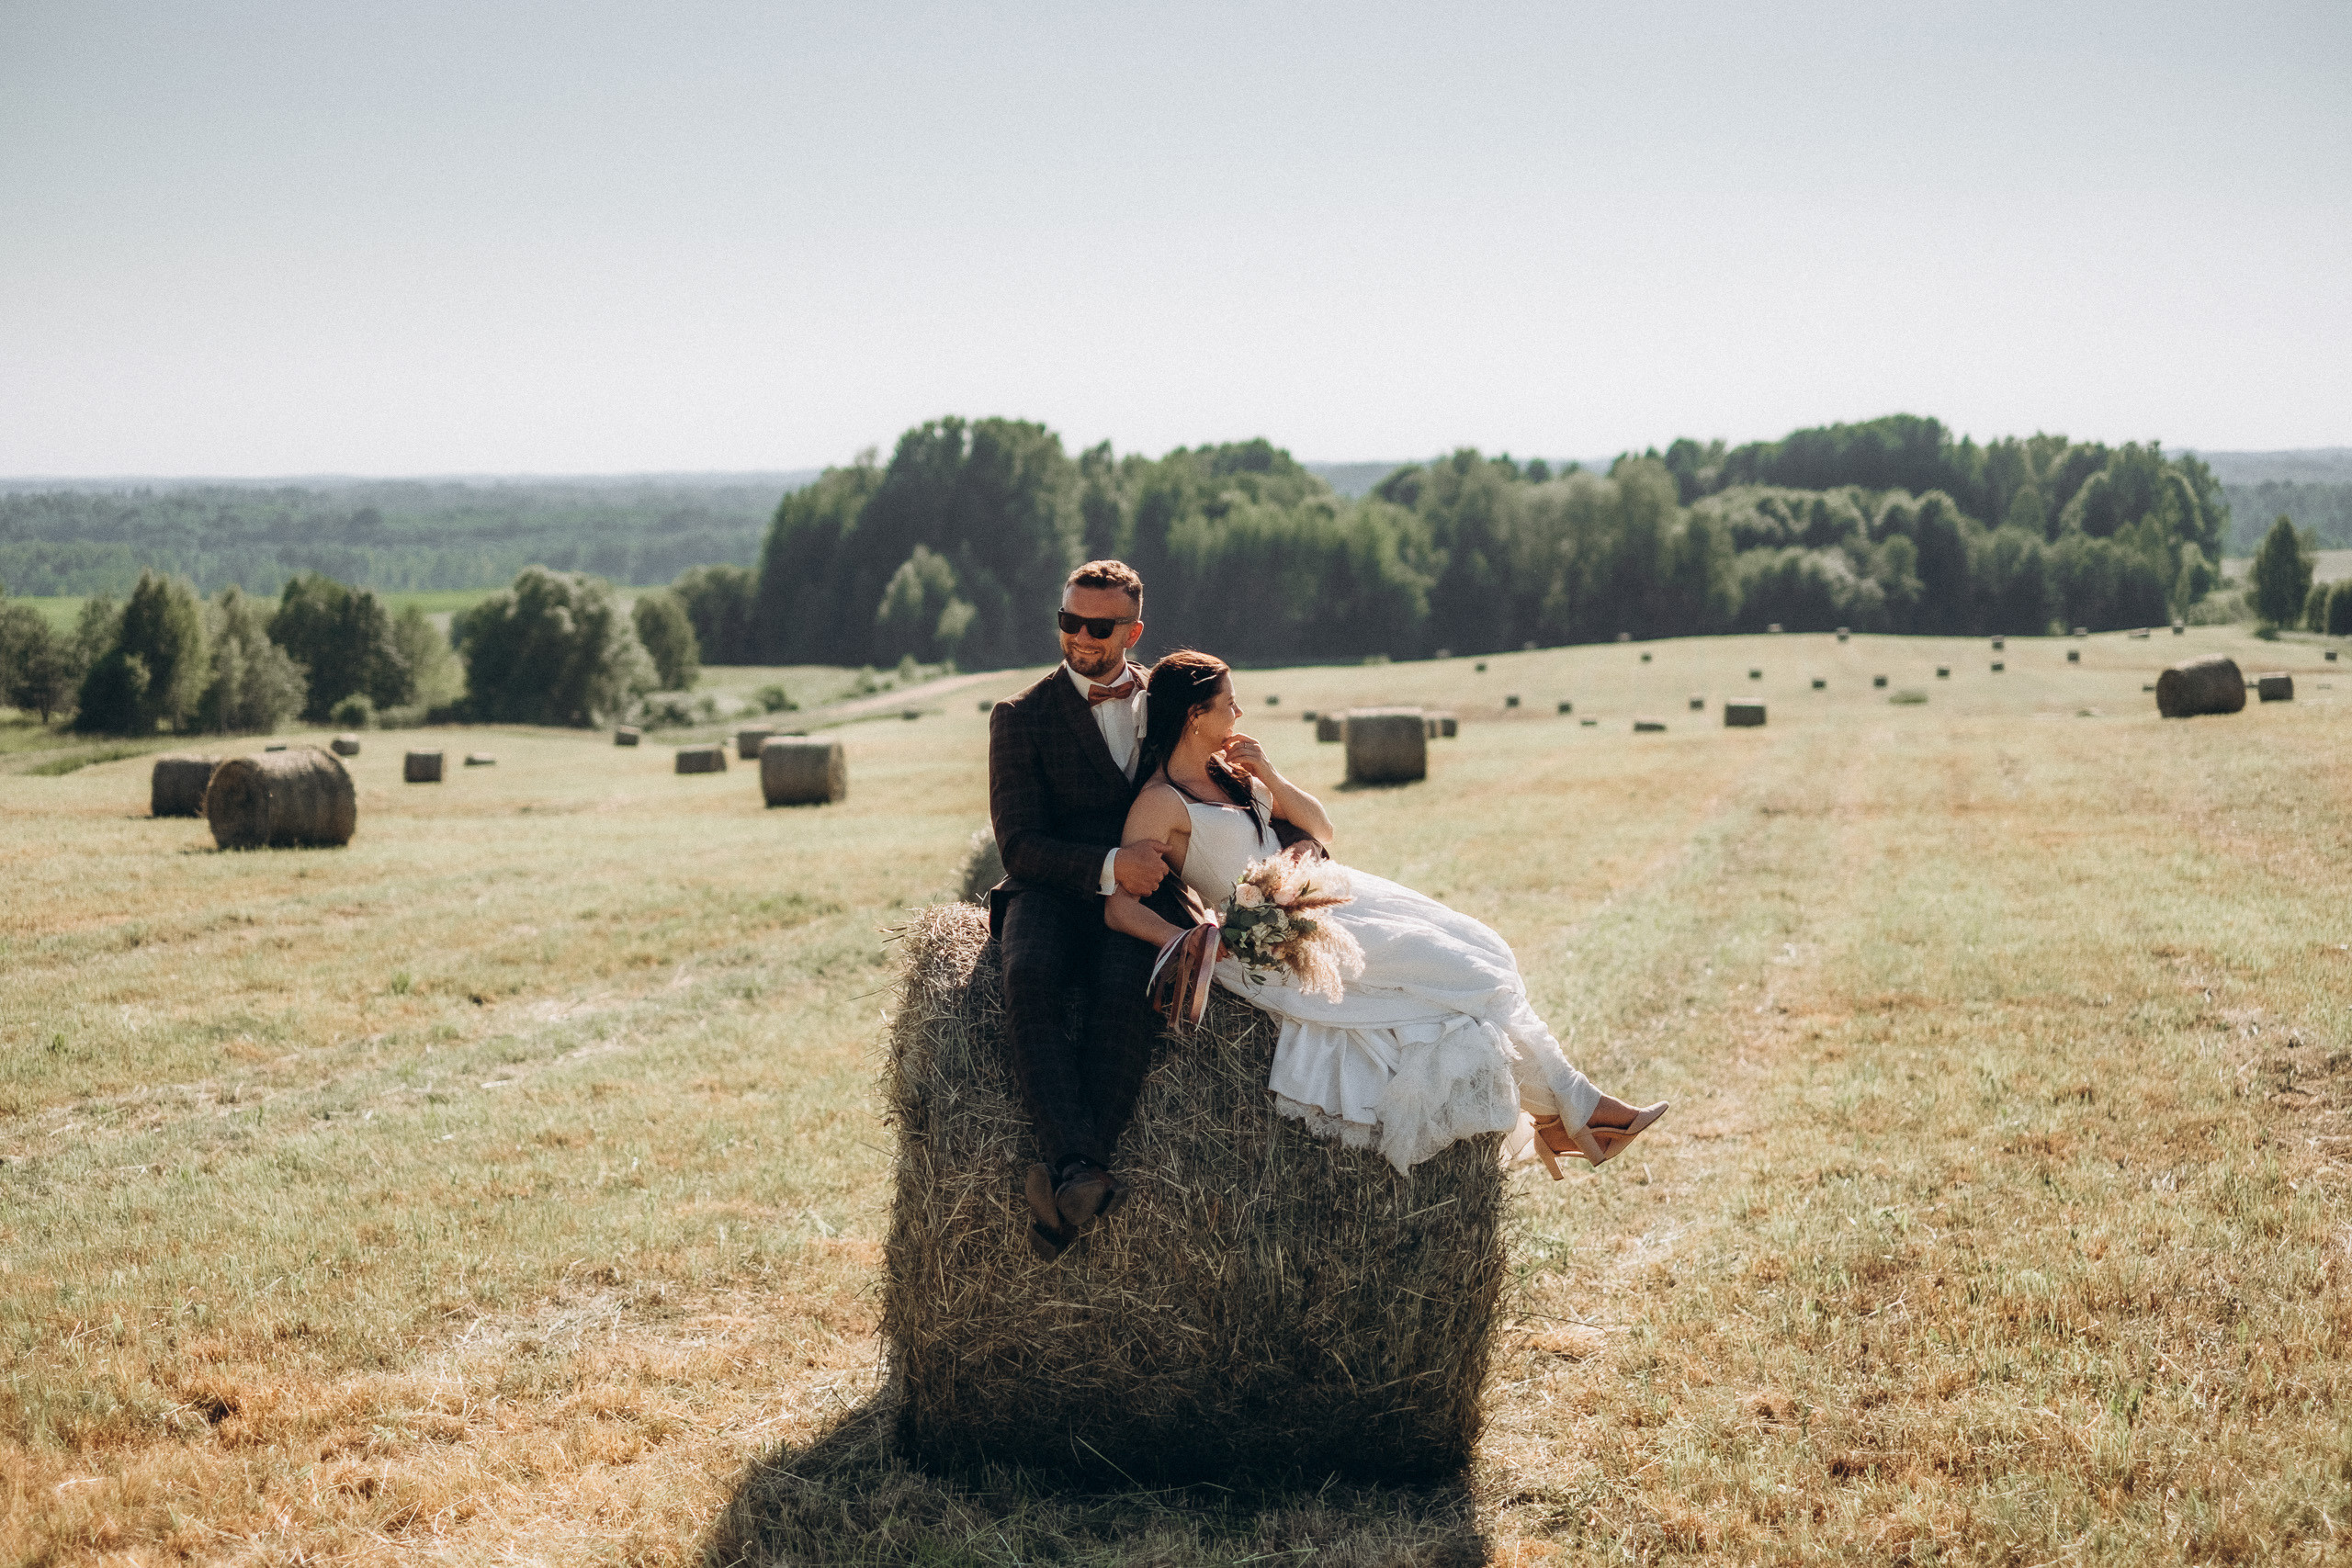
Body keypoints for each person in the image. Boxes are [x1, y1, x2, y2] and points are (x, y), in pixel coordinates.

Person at [1104, 649, 1667, 1176]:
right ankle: (1581, 1110)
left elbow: (1321, 829)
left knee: (1483, 953)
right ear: (1196, 715)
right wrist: (1196, 941)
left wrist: (1271, 778)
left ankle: (1569, 1112)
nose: (1240, 711)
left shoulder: (1234, 773)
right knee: (1464, 986)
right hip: (1271, 947)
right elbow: (1119, 907)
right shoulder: (1160, 804)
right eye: (1229, 702)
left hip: (1324, 903)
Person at [986, 561, 1219, 1259]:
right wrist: (1111, 865)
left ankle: (1064, 1191)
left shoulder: (1171, 704)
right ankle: (1081, 1166)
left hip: (1144, 901)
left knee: (1128, 990)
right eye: (1069, 621)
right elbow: (1019, 844)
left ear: (1133, 630)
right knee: (1028, 975)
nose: (1080, 637)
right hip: (1052, 891)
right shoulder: (1019, 717)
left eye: (1098, 625)